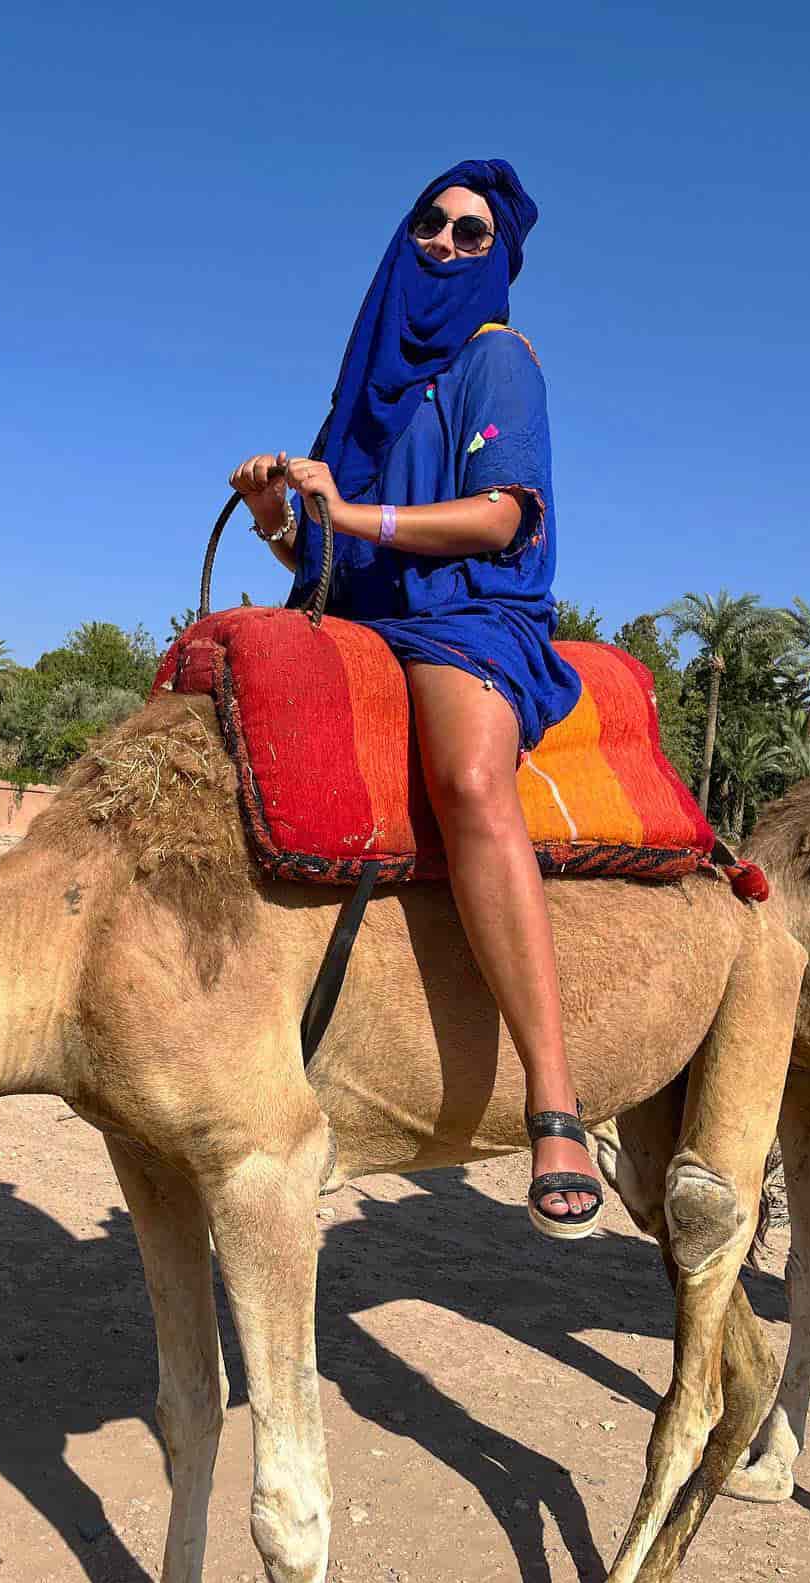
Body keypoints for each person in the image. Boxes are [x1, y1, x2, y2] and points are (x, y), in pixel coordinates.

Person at [229, 157, 604, 1241]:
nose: (442, 244)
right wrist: (275, 513)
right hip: (369, 613)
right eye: (430, 224)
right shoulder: (367, 387)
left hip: (469, 611)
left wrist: (351, 518)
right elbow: (320, 549)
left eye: (470, 235)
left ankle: (555, 1099)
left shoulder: (499, 361)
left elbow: (498, 517)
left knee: (466, 777)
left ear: (500, 262)